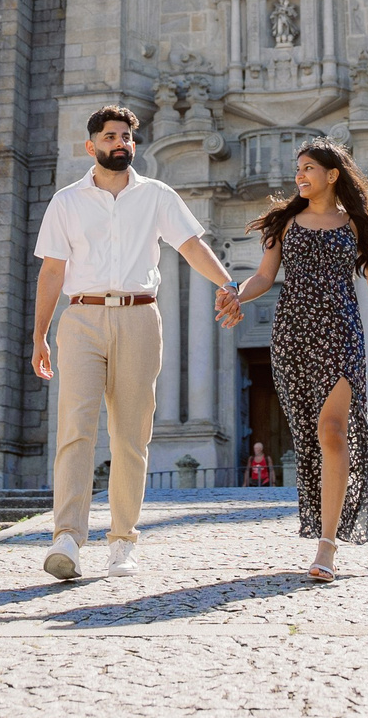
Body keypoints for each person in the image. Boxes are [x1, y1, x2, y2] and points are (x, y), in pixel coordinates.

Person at [32, 103, 243, 581]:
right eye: (110, 137)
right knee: (76, 429)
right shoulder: (66, 202)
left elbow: (191, 245)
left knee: (131, 435)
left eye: (126, 137)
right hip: (82, 318)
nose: (120, 143)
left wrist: (227, 284)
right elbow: (52, 271)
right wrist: (39, 334)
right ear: (91, 146)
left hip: (140, 316)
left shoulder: (157, 195)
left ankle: (122, 542)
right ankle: (67, 538)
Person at [222, 139, 368, 582]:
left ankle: (326, 545)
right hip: (292, 337)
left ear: (332, 175)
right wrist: (236, 292)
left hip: (341, 335)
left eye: (309, 167)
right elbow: (264, 277)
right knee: (311, 439)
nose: (300, 174)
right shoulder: (284, 223)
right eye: (299, 168)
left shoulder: (356, 225)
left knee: (333, 432)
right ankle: (324, 524)